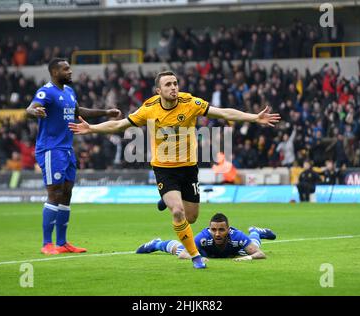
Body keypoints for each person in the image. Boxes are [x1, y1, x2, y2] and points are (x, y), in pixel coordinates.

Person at [69, 70, 281, 268]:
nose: (173, 87)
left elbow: (223, 113)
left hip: (189, 169)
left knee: (191, 218)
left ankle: (168, 201)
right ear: (158, 90)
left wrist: (254, 117)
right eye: (168, 84)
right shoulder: (149, 108)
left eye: (175, 83)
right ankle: (196, 258)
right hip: (164, 169)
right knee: (177, 212)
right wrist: (91, 128)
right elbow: (119, 125)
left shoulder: (190, 102)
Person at [26, 58, 121, 255]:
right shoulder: (46, 91)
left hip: (67, 149)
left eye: (69, 68)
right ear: (54, 72)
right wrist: (35, 111)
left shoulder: (69, 92)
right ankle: (47, 244)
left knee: (67, 193)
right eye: (65, 69)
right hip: (51, 149)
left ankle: (62, 242)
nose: (70, 72)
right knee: (55, 192)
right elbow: (30, 108)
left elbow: (78, 111)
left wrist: (106, 112)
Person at [136, 213, 276, 261]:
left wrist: (248, 257)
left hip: (232, 251)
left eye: (221, 230)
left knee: (254, 247)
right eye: (213, 229)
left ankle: (255, 232)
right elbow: (183, 255)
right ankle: (157, 244)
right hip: (206, 251)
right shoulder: (203, 237)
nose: (217, 233)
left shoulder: (237, 236)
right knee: (180, 249)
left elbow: (260, 254)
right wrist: (197, 258)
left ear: (228, 229)